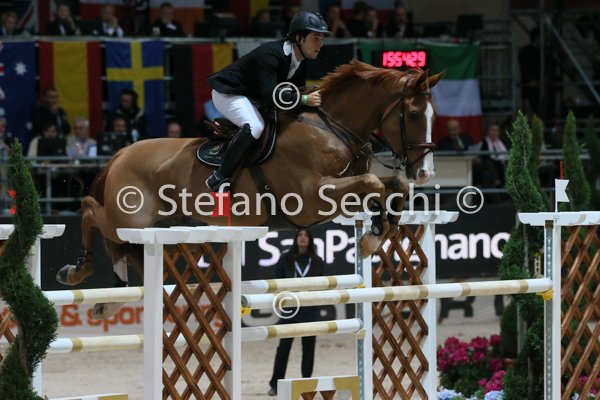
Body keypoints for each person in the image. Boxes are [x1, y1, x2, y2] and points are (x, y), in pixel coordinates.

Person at [205, 11, 329, 192]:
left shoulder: (301, 60)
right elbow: (271, 95)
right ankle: (220, 176)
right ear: (299, 38)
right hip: (229, 93)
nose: (321, 44)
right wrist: (303, 99)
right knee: (255, 126)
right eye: (316, 38)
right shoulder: (271, 54)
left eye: (322, 39)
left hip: (252, 97)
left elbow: (296, 89)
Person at [267, 228, 325, 396]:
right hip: (290, 309)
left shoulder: (317, 260)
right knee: (283, 347)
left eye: (306, 235)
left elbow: (322, 284)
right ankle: (275, 384)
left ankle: (306, 383)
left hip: (310, 309)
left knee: (309, 348)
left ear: (310, 239)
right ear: (295, 238)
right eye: (300, 234)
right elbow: (277, 279)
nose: (303, 237)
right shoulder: (285, 258)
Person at [518, 27, 541, 116]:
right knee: (531, 110)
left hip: (534, 84)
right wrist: (530, 80)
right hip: (530, 85)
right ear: (537, 37)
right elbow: (525, 66)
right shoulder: (527, 51)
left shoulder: (526, 50)